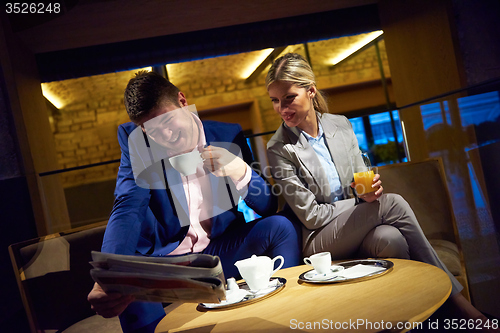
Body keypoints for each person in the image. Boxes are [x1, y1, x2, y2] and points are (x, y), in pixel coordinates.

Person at [265, 53, 497, 331]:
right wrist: (358, 202)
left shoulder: (340, 125)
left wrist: (369, 188)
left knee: (391, 239)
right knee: (394, 204)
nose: (282, 108)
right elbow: (312, 216)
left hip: (359, 224)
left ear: (311, 91)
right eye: (275, 101)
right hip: (320, 239)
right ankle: (459, 305)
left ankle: (414, 324)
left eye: (289, 98)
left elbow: (362, 172)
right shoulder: (278, 148)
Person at [87, 71, 301, 333]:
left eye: (167, 120)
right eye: (152, 129)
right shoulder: (136, 143)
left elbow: (267, 206)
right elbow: (127, 207)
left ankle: (285, 317)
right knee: (127, 287)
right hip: (164, 263)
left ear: (182, 100)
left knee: (280, 226)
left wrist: (239, 170)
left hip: (217, 253)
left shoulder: (226, 134)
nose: (165, 135)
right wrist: (107, 275)